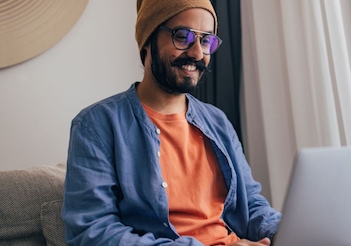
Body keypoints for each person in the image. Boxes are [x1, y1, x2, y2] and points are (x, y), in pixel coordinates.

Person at [61, 0, 281, 245]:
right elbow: (93, 232)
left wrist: (284, 231)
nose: (197, 53)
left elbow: (250, 203)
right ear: (148, 39)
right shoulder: (96, 126)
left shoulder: (217, 122)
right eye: (183, 36)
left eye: (206, 40)